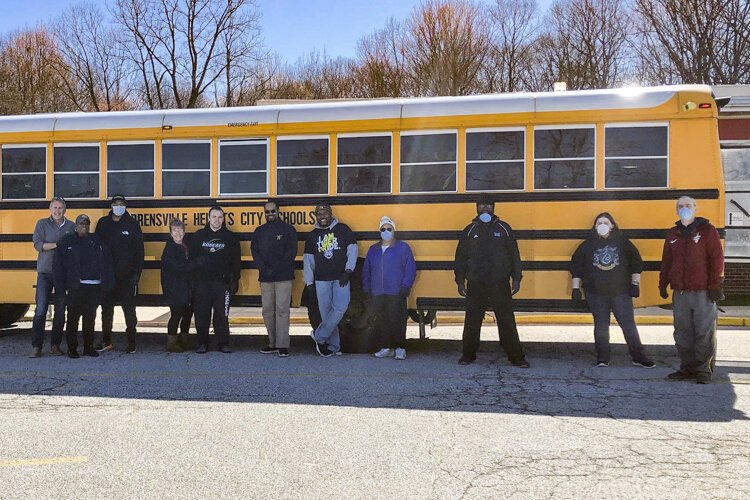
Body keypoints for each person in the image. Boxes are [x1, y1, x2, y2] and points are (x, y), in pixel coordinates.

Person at [570, 212, 655, 368]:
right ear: (594, 227)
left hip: (620, 292)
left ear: (612, 226)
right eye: (599, 223)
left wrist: (635, 283)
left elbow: (636, 262)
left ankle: (639, 357)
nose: (602, 226)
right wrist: (575, 288)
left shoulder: (623, 242)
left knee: (628, 326)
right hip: (596, 293)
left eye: (606, 223)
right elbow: (576, 267)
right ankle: (602, 358)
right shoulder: (587, 245)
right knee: (601, 326)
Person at [454, 193, 529, 367]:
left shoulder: (504, 228)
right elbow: (460, 258)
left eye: (489, 206)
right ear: (476, 208)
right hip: (476, 283)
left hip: (500, 283)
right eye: (482, 206)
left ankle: (516, 357)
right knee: (472, 321)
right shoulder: (470, 230)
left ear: (494, 208)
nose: (485, 208)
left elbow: (514, 256)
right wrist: (459, 280)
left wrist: (516, 278)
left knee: (506, 321)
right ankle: (468, 355)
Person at [659, 196, 724, 384]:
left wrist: (714, 285)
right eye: (680, 206)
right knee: (682, 333)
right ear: (676, 210)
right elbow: (667, 262)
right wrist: (662, 284)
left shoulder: (707, 231)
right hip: (680, 292)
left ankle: (703, 371)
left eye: (688, 205)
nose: (684, 208)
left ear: (695, 208)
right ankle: (687, 368)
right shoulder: (673, 234)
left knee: (704, 332)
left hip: (703, 291)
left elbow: (716, 259)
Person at [54, 214, 114, 359]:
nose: (84, 226)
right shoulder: (67, 241)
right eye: (81, 224)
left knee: (90, 318)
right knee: (73, 318)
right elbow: (58, 266)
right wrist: (60, 287)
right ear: (76, 226)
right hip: (76, 286)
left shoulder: (96, 241)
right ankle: (72, 348)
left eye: (86, 224)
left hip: (94, 286)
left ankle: (88, 347)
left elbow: (107, 261)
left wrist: (107, 282)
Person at [304, 203, 357, 357]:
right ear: (316, 216)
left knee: (341, 307)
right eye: (319, 214)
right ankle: (334, 346)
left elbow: (352, 250)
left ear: (331, 214)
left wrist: (348, 271)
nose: (322, 217)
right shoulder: (312, 235)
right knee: (326, 314)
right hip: (321, 279)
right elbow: (308, 260)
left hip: (340, 277)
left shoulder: (343, 230)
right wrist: (309, 282)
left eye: (325, 214)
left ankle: (319, 335)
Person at [94, 194, 144, 353]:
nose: (119, 206)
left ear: (125, 205)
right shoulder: (103, 223)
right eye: (116, 203)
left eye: (121, 203)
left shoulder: (132, 224)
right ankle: (106, 341)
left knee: (129, 311)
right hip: (108, 275)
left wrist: (137, 273)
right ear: (111, 205)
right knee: (106, 310)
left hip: (127, 276)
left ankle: (132, 343)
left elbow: (139, 251)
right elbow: (96, 248)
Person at [362, 216, 416, 360]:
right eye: (383, 229)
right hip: (378, 292)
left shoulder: (403, 248)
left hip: (396, 291)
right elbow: (366, 270)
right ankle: (386, 347)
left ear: (394, 231)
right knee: (381, 321)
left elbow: (410, 268)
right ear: (379, 231)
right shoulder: (373, 249)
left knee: (397, 320)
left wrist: (406, 286)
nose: (386, 231)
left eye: (389, 229)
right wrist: (367, 289)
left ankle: (400, 348)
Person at [190, 206, 241, 354]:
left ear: (223, 219)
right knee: (202, 314)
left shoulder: (230, 237)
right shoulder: (199, 236)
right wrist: (193, 281)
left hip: (222, 283)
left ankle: (223, 343)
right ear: (208, 218)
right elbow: (192, 259)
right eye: (214, 217)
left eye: (219, 217)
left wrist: (234, 279)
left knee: (222, 315)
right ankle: (202, 343)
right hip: (202, 283)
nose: (216, 220)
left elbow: (236, 261)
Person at [251, 201, 298, 357]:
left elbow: (291, 252)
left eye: (273, 211)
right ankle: (272, 343)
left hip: (283, 276)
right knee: (267, 311)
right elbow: (255, 252)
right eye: (267, 212)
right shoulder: (259, 232)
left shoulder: (288, 230)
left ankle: (282, 344)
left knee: (282, 310)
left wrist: (276, 268)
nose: (270, 214)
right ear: (264, 213)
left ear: (278, 211)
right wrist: (265, 269)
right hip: (265, 277)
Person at [30, 197, 75, 358]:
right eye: (55, 208)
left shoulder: (71, 226)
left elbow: (74, 248)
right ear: (50, 209)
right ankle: (36, 346)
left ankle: (55, 345)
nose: (57, 211)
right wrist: (58, 244)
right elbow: (38, 245)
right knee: (40, 309)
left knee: (60, 311)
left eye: (60, 208)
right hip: (45, 272)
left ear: (65, 210)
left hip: (63, 274)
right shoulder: (42, 224)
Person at [160, 219, 194, 353]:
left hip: (187, 287)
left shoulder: (187, 245)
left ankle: (184, 340)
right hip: (174, 288)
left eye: (180, 230)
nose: (178, 233)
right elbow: (178, 268)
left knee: (187, 315)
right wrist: (195, 264)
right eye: (175, 230)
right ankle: (171, 342)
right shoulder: (169, 249)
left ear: (184, 232)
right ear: (170, 233)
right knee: (176, 315)